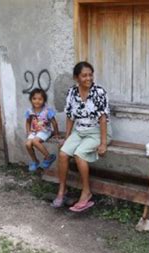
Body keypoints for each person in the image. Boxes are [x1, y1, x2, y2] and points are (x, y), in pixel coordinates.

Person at [51, 61, 111, 212]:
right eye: (84, 75)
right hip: (80, 131)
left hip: (97, 131)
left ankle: (86, 192)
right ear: (76, 77)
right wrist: (67, 136)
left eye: (90, 75)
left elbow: (103, 118)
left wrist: (103, 143)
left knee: (79, 154)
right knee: (63, 153)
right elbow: (70, 116)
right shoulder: (72, 92)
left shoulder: (99, 92)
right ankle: (62, 190)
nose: (88, 78)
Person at [25, 88, 60, 172]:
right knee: (27, 144)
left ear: (44, 100)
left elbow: (54, 123)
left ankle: (48, 157)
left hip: (45, 131)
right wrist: (28, 131)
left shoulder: (47, 111)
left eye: (40, 99)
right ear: (31, 99)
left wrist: (56, 133)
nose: (37, 101)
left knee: (35, 141)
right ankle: (35, 161)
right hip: (34, 132)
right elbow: (27, 122)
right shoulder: (29, 111)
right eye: (34, 99)